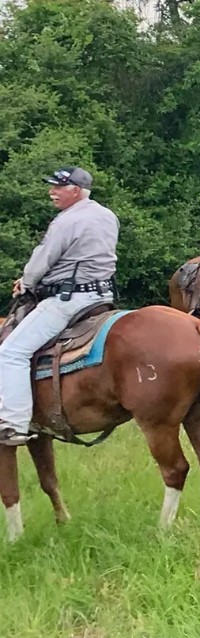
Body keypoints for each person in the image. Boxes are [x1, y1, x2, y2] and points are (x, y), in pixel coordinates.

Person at [0, 168, 120, 447]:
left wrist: (27, 283)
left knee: (11, 352)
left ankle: (13, 424)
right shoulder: (107, 215)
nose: (51, 192)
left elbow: (44, 259)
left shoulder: (67, 220)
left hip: (69, 299)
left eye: (58, 187)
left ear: (76, 191)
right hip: (101, 296)